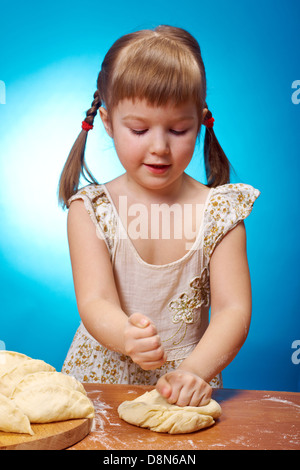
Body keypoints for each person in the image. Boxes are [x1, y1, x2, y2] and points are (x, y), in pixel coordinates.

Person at [58, 25, 260, 407]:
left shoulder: (220, 212)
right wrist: (126, 335)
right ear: (107, 122)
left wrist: (195, 372)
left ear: (200, 121)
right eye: (138, 129)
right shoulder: (91, 211)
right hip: (101, 382)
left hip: (186, 382)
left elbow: (234, 310)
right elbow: (95, 299)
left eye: (178, 129)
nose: (159, 147)